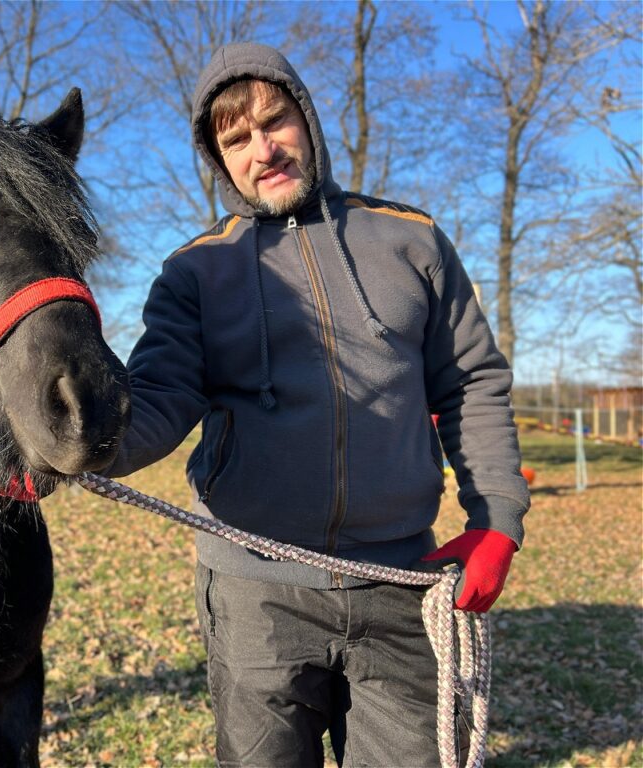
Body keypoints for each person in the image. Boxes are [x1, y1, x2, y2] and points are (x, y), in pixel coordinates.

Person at [106, 42, 530, 767]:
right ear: (218, 159)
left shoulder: (412, 239)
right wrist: (72, 444)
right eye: (236, 139)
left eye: (275, 121)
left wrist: (496, 521)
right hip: (256, 590)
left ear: (307, 118)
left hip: (400, 582)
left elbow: (471, 382)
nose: (262, 149)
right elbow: (157, 399)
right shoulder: (194, 271)